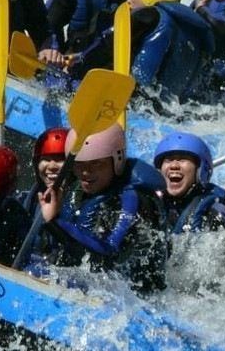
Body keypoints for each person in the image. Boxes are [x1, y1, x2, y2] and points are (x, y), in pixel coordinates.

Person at [37, 124, 168, 293]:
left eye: (96, 164)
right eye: (79, 163)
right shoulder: (76, 190)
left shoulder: (132, 200)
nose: (85, 172)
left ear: (117, 161)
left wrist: (54, 223)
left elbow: (106, 258)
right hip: (89, 283)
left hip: (134, 297)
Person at [68, 0, 214, 102]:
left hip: (134, 100)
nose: (128, 1)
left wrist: (75, 67)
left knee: (57, 81)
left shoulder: (150, 15)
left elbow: (108, 44)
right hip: (166, 111)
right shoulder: (195, 32)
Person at [153, 131, 225, 297]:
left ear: (200, 170)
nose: (174, 165)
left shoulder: (213, 212)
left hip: (204, 292)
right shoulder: (151, 204)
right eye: (168, 160)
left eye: (182, 159)